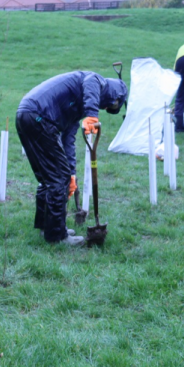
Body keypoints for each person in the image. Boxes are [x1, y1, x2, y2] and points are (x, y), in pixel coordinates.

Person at [16, 71, 128, 246]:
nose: (104, 108)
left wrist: (72, 174)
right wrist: (92, 114)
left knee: (50, 177)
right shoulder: (96, 80)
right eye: (108, 106)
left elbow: (68, 140)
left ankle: (47, 226)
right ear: (115, 98)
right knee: (57, 178)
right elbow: (91, 82)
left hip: (27, 115)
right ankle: (57, 236)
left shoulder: (76, 108)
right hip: (39, 116)